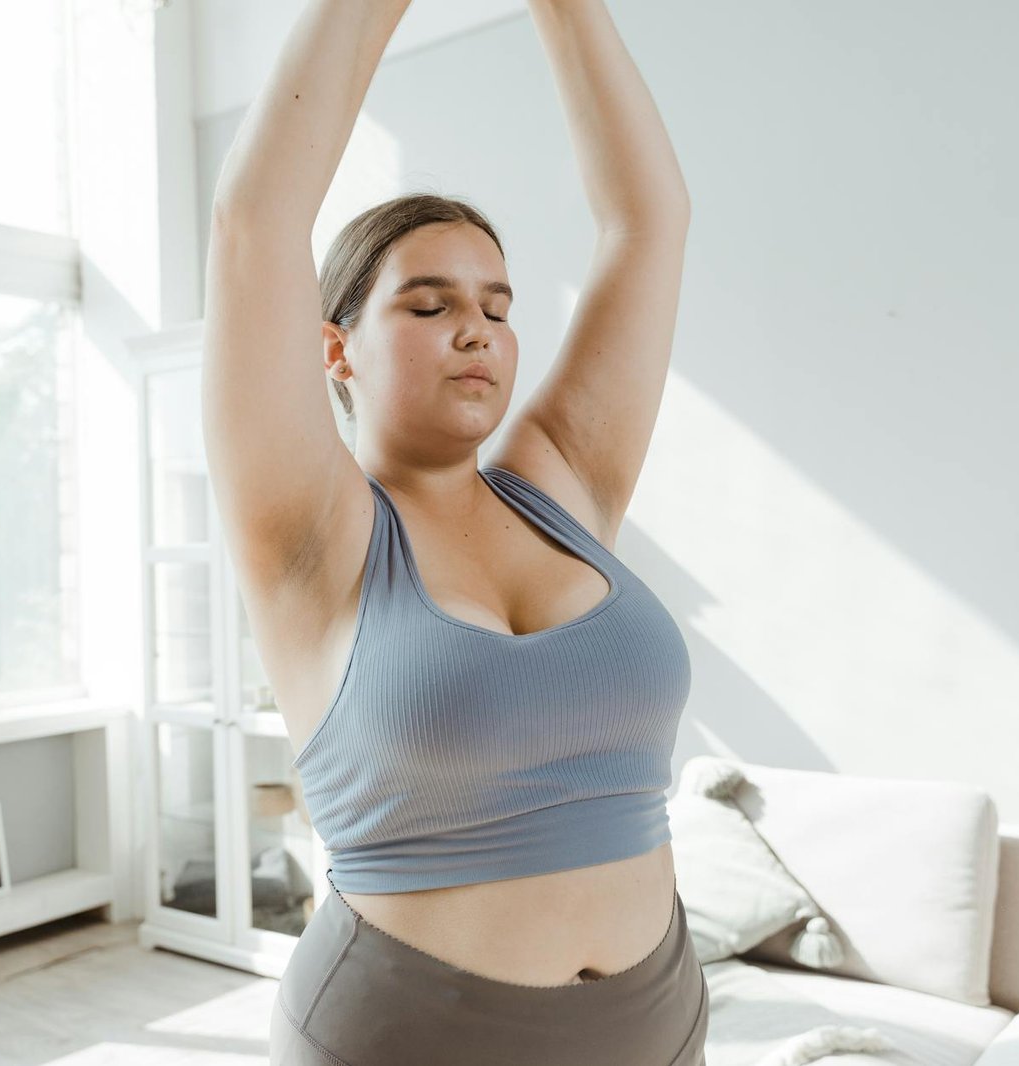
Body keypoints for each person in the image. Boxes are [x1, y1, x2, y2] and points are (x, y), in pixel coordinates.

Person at [203, 1, 698, 1062]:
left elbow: (647, 222)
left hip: (652, 1023)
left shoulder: (559, 487)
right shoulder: (313, 531)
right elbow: (256, 220)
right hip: (406, 1034)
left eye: (497, 304)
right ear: (333, 351)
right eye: (426, 305)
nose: (474, 326)